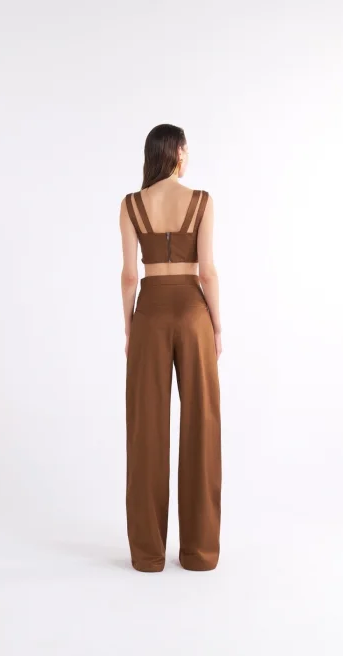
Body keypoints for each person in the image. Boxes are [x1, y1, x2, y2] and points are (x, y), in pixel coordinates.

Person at [119, 124, 222, 572]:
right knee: (202, 423)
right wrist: (217, 326)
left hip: (150, 311)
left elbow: (129, 276)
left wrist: (130, 327)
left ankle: (147, 554)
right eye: (186, 149)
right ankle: (199, 553)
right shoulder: (201, 201)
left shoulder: (131, 205)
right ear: (178, 153)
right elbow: (208, 272)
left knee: (146, 428)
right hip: (193, 312)